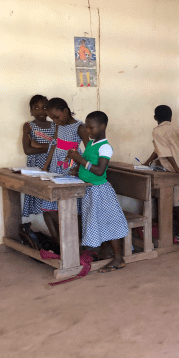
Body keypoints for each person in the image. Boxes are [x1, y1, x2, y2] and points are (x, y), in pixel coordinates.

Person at [66, 111, 129, 272]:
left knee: (109, 223)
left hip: (101, 191)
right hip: (90, 191)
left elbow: (100, 170)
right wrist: (77, 170)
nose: (87, 130)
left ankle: (118, 258)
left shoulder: (105, 147)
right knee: (98, 223)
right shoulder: (91, 145)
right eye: (86, 127)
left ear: (102, 127)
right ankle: (106, 252)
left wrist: (80, 160)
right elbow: (87, 165)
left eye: (91, 127)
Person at [41, 98, 90, 245]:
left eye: (57, 117)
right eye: (52, 118)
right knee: (48, 207)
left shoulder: (79, 127)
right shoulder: (59, 126)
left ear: (66, 111)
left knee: (70, 206)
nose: (55, 121)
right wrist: (45, 167)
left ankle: (75, 241)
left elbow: (89, 151)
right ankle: (59, 242)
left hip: (71, 168)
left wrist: (79, 167)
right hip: (56, 167)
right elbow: (54, 145)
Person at [142, 105, 179, 242]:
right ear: (171, 116)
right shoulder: (173, 128)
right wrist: (147, 162)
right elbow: (159, 150)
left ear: (155, 117)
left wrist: (176, 169)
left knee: (178, 203)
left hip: (176, 170)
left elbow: (166, 152)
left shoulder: (157, 131)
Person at [22, 95, 56, 217]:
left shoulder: (55, 126)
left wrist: (38, 145)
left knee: (51, 201)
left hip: (52, 166)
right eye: (36, 108)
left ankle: (56, 235)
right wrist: (51, 147)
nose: (41, 111)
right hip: (36, 168)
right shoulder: (28, 126)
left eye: (44, 107)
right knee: (41, 199)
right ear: (31, 111)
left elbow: (58, 147)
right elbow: (27, 150)